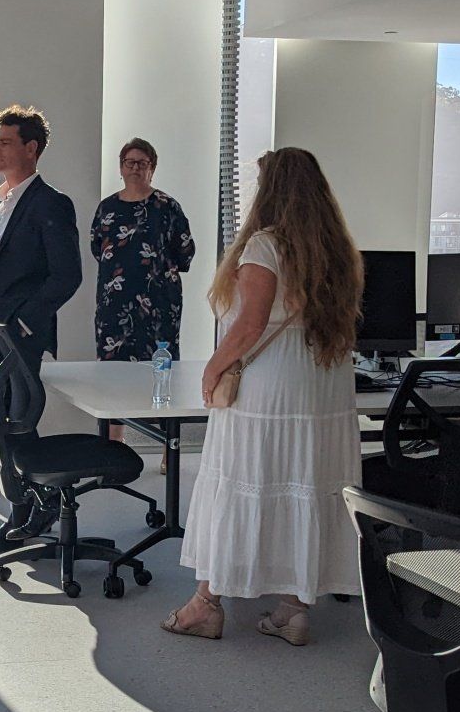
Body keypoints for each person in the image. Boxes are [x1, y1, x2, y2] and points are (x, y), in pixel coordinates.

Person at [162, 147, 365, 646]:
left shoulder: (264, 245)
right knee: (304, 480)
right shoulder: (338, 250)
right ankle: (293, 610)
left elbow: (251, 323)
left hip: (269, 388)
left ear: (272, 191)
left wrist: (212, 368)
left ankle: (206, 604)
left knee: (244, 478)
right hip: (322, 381)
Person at [0, 104, 83, 552]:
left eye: (6, 142)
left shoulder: (51, 203)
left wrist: (26, 323)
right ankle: (38, 496)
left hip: (15, 336)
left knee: (12, 425)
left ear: (32, 148)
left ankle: (23, 514)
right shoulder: (3, 201)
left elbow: (67, 275)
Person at [90, 138, 196, 447]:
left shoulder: (167, 207)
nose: (135, 168)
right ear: (121, 167)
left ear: (153, 168)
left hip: (159, 306)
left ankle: (167, 448)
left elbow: (185, 251)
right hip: (114, 305)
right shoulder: (107, 208)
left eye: (142, 163)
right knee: (112, 372)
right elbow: (98, 248)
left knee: (162, 372)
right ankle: (114, 445)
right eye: (130, 162)